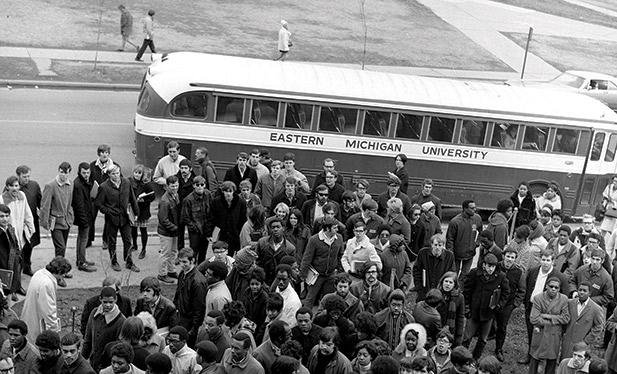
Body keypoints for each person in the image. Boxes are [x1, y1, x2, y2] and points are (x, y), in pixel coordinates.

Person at [519, 250, 569, 364]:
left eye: (548, 260)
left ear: (553, 261)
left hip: (548, 311)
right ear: (540, 259)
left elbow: (564, 296)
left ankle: (544, 356)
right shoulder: (533, 271)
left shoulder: (560, 277)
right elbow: (527, 286)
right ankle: (531, 355)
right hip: (531, 307)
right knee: (531, 331)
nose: (545, 263)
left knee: (545, 334)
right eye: (543, 260)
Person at [462, 254, 509, 360]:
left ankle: (475, 359)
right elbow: (467, 291)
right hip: (474, 312)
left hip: (488, 314)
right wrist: (467, 308)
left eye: (493, 266)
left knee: (483, 339)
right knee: (467, 337)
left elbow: (506, 292)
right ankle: (462, 358)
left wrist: (499, 305)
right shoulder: (474, 273)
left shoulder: (500, 276)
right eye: (489, 266)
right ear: (484, 265)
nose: (491, 269)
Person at [95, 164, 140, 273]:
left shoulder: (126, 183)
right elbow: (99, 203)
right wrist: (108, 211)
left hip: (125, 217)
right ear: (109, 174)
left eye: (118, 173)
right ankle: (114, 261)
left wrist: (136, 212)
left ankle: (129, 262)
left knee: (128, 241)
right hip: (112, 218)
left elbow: (132, 198)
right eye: (114, 173)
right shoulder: (104, 187)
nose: (116, 175)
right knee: (112, 241)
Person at [20, 256, 70, 343]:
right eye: (63, 274)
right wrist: (54, 332)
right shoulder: (47, 284)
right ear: (58, 271)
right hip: (37, 323)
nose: (63, 276)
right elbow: (49, 311)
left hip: (29, 317)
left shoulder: (39, 273)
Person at [299, 217, 345, 308]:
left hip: (331, 274)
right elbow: (307, 258)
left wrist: (338, 269)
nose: (337, 229)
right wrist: (303, 274)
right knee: (310, 298)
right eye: (335, 227)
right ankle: (306, 317)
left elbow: (341, 255)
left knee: (329, 299)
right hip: (316, 275)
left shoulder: (339, 238)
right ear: (327, 229)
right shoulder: (314, 239)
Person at [529, 276, 570, 374]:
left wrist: (547, 316)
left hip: (554, 335)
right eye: (551, 286)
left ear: (559, 289)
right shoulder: (538, 298)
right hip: (540, 334)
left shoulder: (563, 299)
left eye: (556, 287)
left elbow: (566, 318)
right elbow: (534, 319)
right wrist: (556, 321)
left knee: (551, 361)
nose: (553, 289)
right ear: (546, 286)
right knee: (535, 358)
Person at [83, 286, 128, 372]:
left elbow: (120, 348)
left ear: (116, 300)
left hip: (109, 366)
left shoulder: (121, 321)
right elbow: (87, 339)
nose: (108, 305)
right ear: (100, 299)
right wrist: (82, 359)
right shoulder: (94, 313)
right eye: (105, 302)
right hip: (93, 363)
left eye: (111, 302)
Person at [494, 247, 525, 362]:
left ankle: (498, 349)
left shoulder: (518, 272)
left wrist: (514, 304)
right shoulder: (496, 266)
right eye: (508, 256)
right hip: (493, 301)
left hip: (507, 305)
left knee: (502, 327)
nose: (510, 259)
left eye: (512, 257)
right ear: (503, 256)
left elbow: (522, 290)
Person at [173, 248, 207, 348]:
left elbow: (199, 307)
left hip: (190, 321)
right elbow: (178, 293)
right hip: (180, 316)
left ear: (192, 261)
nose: (182, 265)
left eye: (185, 262)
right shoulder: (183, 274)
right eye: (180, 262)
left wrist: (194, 328)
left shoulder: (198, 281)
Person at [40, 162, 74, 261]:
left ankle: (60, 268)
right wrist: (44, 222)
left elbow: (71, 201)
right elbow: (45, 205)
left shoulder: (71, 183)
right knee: (60, 247)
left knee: (63, 247)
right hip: (55, 223)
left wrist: (71, 216)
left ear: (69, 173)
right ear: (58, 171)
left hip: (67, 221)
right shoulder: (50, 185)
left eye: (66, 173)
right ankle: (59, 270)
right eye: (61, 172)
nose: (63, 175)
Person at [561, 282, 604, 360]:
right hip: (567, 343)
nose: (581, 292)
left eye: (584, 291)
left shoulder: (596, 309)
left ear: (590, 293)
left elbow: (599, 327)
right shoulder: (570, 303)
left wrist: (586, 341)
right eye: (580, 290)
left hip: (581, 344)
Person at [446, 200, 482, 286]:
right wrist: (450, 254)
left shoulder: (477, 218)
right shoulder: (455, 222)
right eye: (472, 208)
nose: (475, 209)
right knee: (454, 273)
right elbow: (449, 239)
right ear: (465, 209)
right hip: (456, 254)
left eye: (475, 207)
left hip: (470, 252)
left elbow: (481, 232)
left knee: (465, 274)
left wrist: (477, 243)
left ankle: (460, 290)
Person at [207, 181, 247, 256]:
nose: (228, 193)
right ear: (222, 191)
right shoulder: (216, 202)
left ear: (234, 191)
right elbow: (211, 218)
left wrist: (241, 234)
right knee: (220, 253)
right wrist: (209, 233)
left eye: (230, 191)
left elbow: (243, 219)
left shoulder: (241, 202)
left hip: (235, 233)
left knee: (231, 255)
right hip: (221, 233)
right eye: (226, 191)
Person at [70, 163, 97, 272]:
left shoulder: (83, 182)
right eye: (84, 173)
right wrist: (85, 220)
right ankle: (81, 262)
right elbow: (79, 205)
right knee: (83, 239)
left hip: (85, 215)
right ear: (79, 172)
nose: (86, 175)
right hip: (83, 216)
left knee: (81, 238)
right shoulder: (78, 184)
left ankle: (81, 259)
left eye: (88, 173)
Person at [15, 165, 41, 277]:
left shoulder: (34, 185)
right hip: (18, 223)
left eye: (28, 176)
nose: (27, 179)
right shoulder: (13, 187)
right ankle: (17, 270)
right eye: (24, 176)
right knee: (19, 248)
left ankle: (27, 266)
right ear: (18, 176)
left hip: (31, 221)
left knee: (30, 245)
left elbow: (41, 202)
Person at [414, 234, 455, 301]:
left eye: (440, 245)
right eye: (435, 245)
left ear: (443, 246)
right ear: (431, 245)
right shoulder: (423, 253)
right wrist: (419, 287)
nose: (437, 247)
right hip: (425, 289)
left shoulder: (449, 256)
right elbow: (416, 270)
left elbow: (452, 273)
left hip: (441, 291)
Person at [181, 176, 212, 264]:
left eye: (202, 184)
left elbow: (212, 211)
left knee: (203, 252)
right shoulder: (188, 200)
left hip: (206, 229)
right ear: (193, 186)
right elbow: (186, 218)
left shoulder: (208, 195)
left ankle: (201, 271)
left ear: (205, 185)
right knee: (194, 252)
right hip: (195, 231)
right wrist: (195, 228)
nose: (200, 187)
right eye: (197, 185)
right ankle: (192, 269)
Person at [129, 164, 155, 260]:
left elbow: (152, 196)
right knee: (133, 229)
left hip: (143, 211)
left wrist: (144, 201)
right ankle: (134, 245)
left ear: (142, 174)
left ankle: (143, 249)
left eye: (139, 173)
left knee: (143, 230)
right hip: (133, 210)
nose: (137, 175)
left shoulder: (147, 184)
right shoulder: (130, 182)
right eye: (136, 172)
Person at [157, 176, 181, 284]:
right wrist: (175, 227)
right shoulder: (164, 201)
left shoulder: (176, 196)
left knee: (173, 252)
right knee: (165, 253)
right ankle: (162, 274)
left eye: (176, 185)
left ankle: (171, 271)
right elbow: (163, 220)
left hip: (173, 231)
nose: (175, 188)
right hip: (166, 232)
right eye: (172, 186)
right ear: (167, 186)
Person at [436, 272, 465, 347]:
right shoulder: (436, 294)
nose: (447, 284)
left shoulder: (459, 297)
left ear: (454, 285)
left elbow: (460, 317)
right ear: (442, 282)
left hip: (450, 330)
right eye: (446, 281)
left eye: (450, 282)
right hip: (437, 327)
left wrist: (459, 335)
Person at [0, 205, 22, 299]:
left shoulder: (10, 229)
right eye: (1, 216)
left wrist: (17, 258)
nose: (5, 219)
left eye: (7, 215)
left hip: (12, 266)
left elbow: (15, 245)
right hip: (1, 268)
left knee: (9, 293)